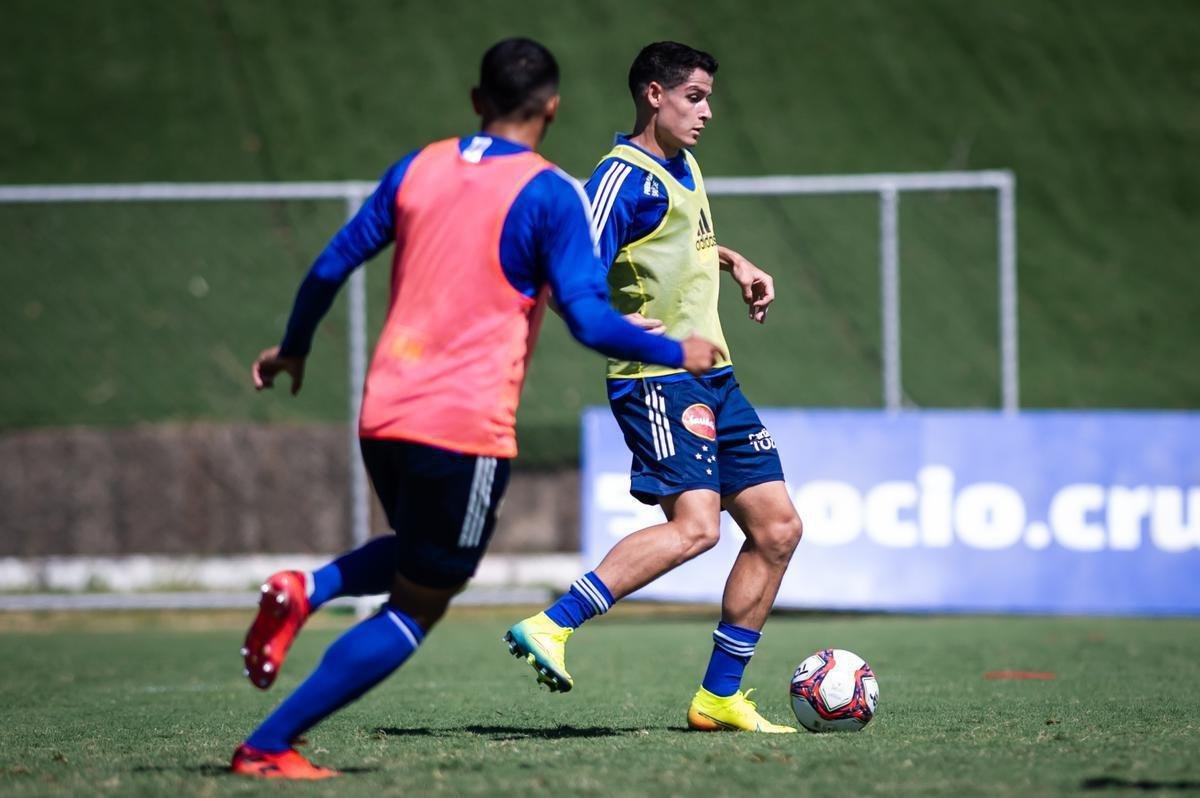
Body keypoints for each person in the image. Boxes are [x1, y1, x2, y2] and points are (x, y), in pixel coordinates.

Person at [231, 37, 724, 780]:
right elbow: (590, 320)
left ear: (475, 102)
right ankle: (269, 744)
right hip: (462, 426)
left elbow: (332, 262)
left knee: (420, 548)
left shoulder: (420, 166)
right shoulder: (551, 192)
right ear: (552, 109)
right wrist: (673, 352)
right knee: (420, 602)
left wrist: (293, 348)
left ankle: (310, 588)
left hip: (383, 411)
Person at [504, 41, 804, 733]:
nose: (707, 111)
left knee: (779, 529)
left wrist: (734, 261)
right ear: (653, 95)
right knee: (696, 529)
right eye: (694, 96)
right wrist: (611, 322)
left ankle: (718, 697)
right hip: (660, 379)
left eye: (708, 98)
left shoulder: (683, 164)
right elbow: (563, 267)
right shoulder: (620, 175)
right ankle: (553, 623)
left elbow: (674, 242)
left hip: (715, 376)